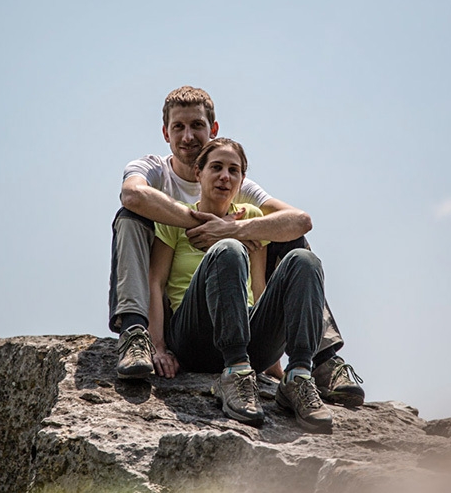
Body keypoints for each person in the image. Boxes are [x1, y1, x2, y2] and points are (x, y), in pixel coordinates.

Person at [108, 86, 363, 408]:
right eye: (179, 127)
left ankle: (319, 360)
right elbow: (132, 195)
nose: (188, 136)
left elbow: (299, 221)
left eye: (197, 126)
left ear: (212, 129)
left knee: (294, 246)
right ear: (165, 133)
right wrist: (200, 224)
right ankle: (135, 333)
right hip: (183, 317)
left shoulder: (236, 183)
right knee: (130, 216)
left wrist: (233, 228)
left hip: (239, 306)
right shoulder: (152, 169)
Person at [148, 138, 335, 432]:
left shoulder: (251, 218)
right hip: (193, 338)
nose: (225, 176)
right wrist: (157, 346)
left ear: (242, 179)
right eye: (217, 167)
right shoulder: (178, 216)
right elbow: (156, 284)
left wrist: (272, 354)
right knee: (228, 250)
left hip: (247, 339)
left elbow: (258, 286)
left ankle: (299, 376)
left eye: (234, 170)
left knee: (304, 260)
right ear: (198, 172)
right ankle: (233, 374)